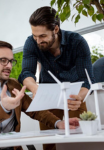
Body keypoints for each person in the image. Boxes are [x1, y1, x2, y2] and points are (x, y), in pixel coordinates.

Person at [0, 41, 79, 150]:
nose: (9, 66)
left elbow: (35, 110)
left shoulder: (13, 84)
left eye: (11, 61)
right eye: (3, 60)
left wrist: (58, 123)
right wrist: (3, 107)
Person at [18, 6, 95, 150]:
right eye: (35, 35)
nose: (38, 40)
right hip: (48, 95)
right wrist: (35, 88)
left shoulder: (77, 42)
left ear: (56, 29)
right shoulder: (31, 42)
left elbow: (87, 79)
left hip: (74, 94)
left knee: (81, 137)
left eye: (42, 36)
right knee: (49, 142)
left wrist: (79, 97)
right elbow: (26, 73)